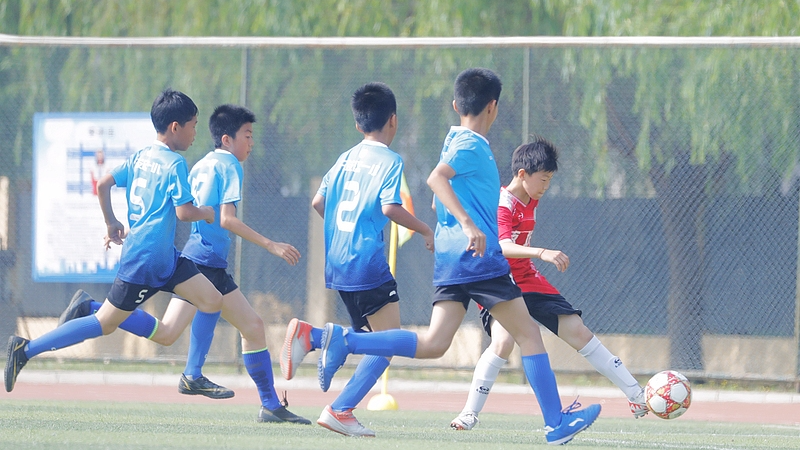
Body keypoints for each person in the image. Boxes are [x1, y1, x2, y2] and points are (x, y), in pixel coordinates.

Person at [283, 68, 601, 445]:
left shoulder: (457, 140)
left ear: (455, 105)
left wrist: (452, 219)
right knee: (529, 333)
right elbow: (437, 180)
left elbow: (439, 195)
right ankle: (555, 423)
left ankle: (333, 340)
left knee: (435, 344)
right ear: (493, 107)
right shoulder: (469, 144)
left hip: (454, 259)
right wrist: (468, 224)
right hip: (477, 258)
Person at [57, 104, 310, 424]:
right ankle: (212, 381)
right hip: (205, 261)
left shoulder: (201, 163)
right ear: (227, 139)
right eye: (248, 135)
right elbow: (227, 220)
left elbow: (171, 208)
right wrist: (271, 244)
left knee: (173, 332)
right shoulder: (231, 165)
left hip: (197, 256)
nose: (252, 142)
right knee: (242, 323)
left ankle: (92, 308)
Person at [5, 89, 223, 393]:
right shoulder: (174, 164)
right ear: (176, 127)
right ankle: (25, 350)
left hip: (165, 259)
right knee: (105, 324)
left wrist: (112, 223)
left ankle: (193, 375)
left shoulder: (142, 156)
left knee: (212, 300)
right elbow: (185, 213)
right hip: (144, 262)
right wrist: (207, 213)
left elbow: (104, 183)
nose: (195, 133)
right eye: (194, 125)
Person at [449, 137, 648, 431]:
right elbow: (504, 246)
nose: (545, 186)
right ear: (521, 175)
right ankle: (469, 413)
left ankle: (636, 394)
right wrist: (542, 252)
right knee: (502, 343)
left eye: (549, 180)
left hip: (528, 279)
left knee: (578, 331)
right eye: (542, 179)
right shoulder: (503, 203)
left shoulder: (533, 196)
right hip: (499, 281)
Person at [280, 82, 434, 437]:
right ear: (392, 120)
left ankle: (335, 385)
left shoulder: (344, 158)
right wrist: (426, 229)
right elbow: (389, 207)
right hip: (366, 261)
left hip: (338, 263)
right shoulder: (391, 160)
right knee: (390, 341)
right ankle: (318, 345)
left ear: (358, 124)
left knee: (372, 339)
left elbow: (319, 203)